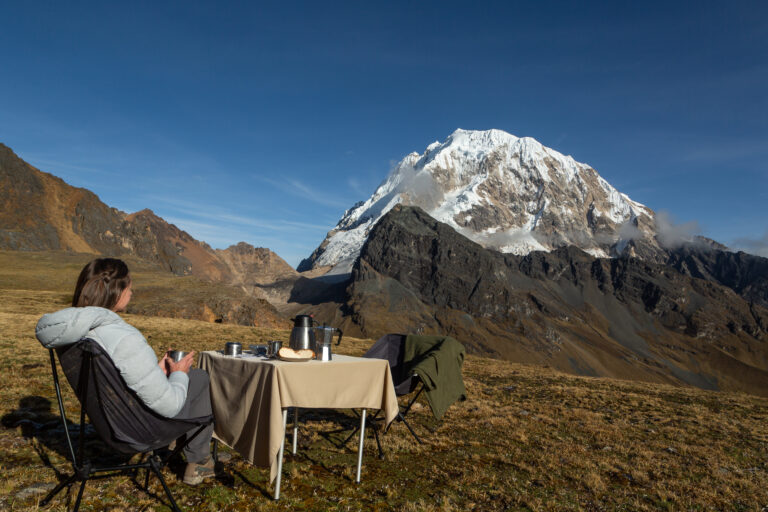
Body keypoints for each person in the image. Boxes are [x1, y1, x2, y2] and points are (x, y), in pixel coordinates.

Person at [35, 257, 227, 485]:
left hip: (111, 422)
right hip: (139, 430)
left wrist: (156, 371)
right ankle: (198, 462)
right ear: (116, 292)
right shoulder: (123, 336)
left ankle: (185, 448)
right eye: (129, 286)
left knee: (190, 377)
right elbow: (170, 404)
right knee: (199, 377)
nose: (132, 292)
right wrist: (178, 373)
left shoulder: (74, 332)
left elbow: (113, 379)